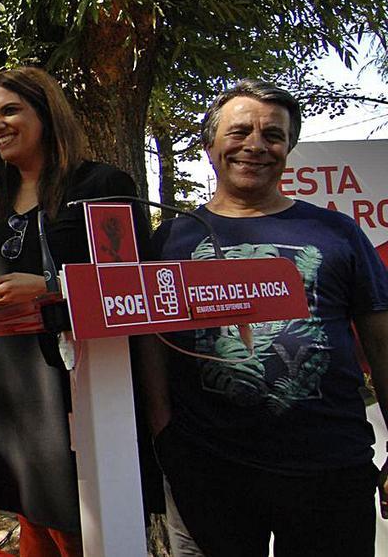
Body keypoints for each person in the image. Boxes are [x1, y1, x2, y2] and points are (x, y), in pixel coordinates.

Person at [146, 79, 388, 557]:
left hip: (330, 469)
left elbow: (382, 343)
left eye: (272, 136)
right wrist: (164, 432)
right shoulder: (168, 242)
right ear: (211, 145)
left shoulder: (337, 233)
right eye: (239, 132)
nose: (255, 145)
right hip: (208, 470)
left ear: (288, 147)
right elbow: (153, 343)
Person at [0, 67, 148, 557]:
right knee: (29, 516)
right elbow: (2, 269)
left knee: (77, 524)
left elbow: (132, 285)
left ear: (46, 112)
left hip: (72, 385)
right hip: (6, 381)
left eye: (10, 110)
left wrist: (49, 286)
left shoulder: (101, 183)